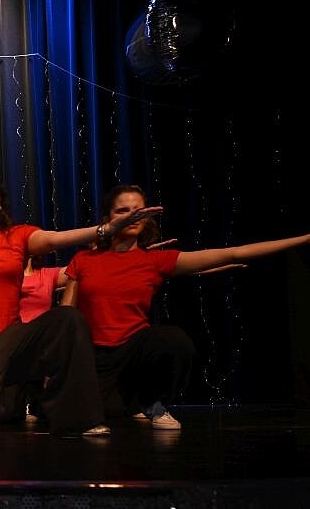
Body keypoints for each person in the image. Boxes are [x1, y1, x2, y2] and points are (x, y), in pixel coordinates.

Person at [0, 166, 161, 436]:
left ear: (0, 200)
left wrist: (105, 230)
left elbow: (56, 239)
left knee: (68, 319)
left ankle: (77, 418)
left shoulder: (18, 236)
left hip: (8, 342)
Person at [62, 183, 310, 430]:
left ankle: (153, 403)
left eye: (139, 211)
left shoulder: (155, 260)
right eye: (123, 211)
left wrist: (305, 239)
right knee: (101, 411)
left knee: (173, 340)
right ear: (107, 220)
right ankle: (128, 403)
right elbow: (66, 317)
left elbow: (234, 253)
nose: (133, 217)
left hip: (134, 349)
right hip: (92, 356)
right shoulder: (84, 259)